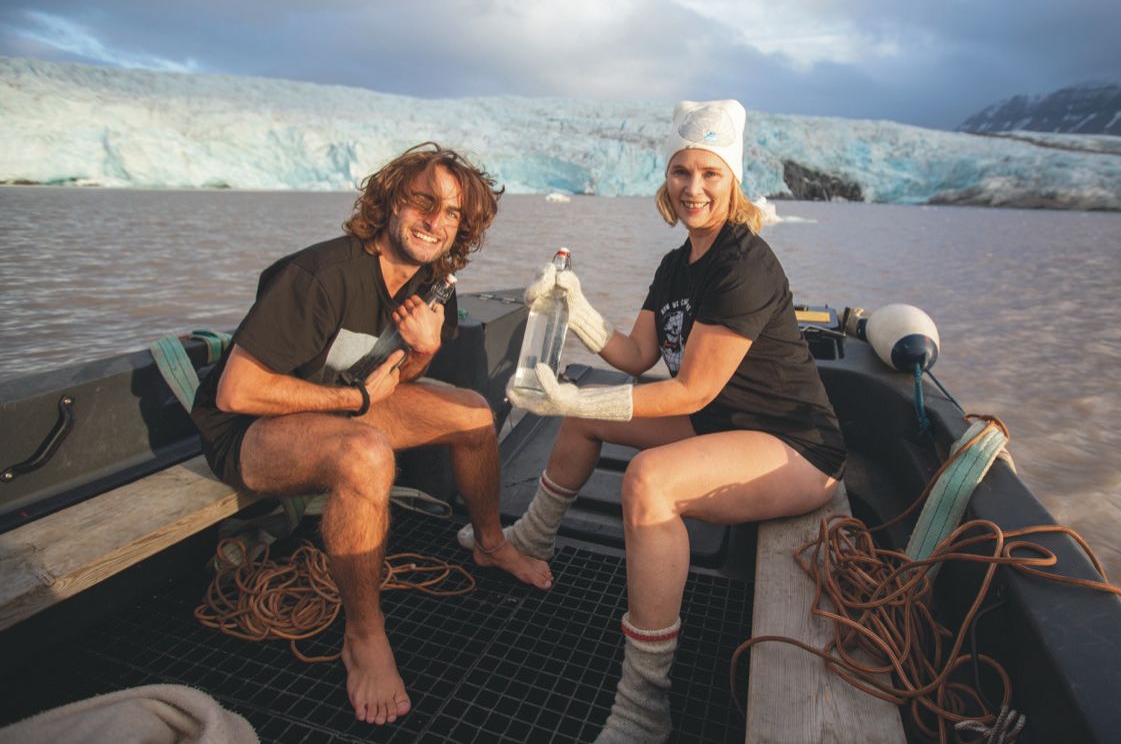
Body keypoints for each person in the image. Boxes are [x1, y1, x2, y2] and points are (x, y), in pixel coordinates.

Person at [466, 100, 847, 741]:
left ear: (733, 181)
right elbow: (638, 356)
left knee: (649, 480)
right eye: (680, 172)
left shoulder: (743, 264)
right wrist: (577, 305)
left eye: (710, 174)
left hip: (794, 445)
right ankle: (530, 539)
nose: (693, 189)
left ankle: (644, 703)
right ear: (665, 179)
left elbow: (691, 389)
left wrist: (572, 398)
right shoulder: (677, 265)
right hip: (727, 426)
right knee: (586, 425)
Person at [189, 142, 552, 727]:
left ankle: (490, 544)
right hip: (251, 431)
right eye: (422, 202)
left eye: (453, 213)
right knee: (366, 452)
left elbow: (393, 378)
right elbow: (237, 393)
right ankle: (363, 634)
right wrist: (353, 401)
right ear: (389, 202)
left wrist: (425, 348)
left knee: (473, 415)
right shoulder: (320, 276)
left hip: (336, 413)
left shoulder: (434, 283)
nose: (436, 222)